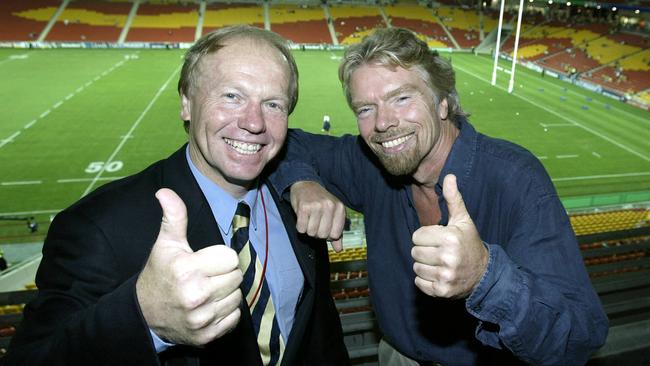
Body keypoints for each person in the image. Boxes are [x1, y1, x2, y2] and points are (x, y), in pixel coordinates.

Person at [6, 25, 349, 366]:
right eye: (232, 96)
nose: (254, 122)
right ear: (186, 103)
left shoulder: (297, 200)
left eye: (273, 104)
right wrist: (145, 319)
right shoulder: (99, 227)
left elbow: (317, 333)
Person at [272, 28, 608, 365]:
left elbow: (579, 337)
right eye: (365, 109)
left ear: (443, 102)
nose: (383, 123)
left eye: (402, 98)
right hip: (396, 356)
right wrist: (303, 182)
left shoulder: (515, 179)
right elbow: (278, 142)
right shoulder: (369, 163)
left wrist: (486, 277)